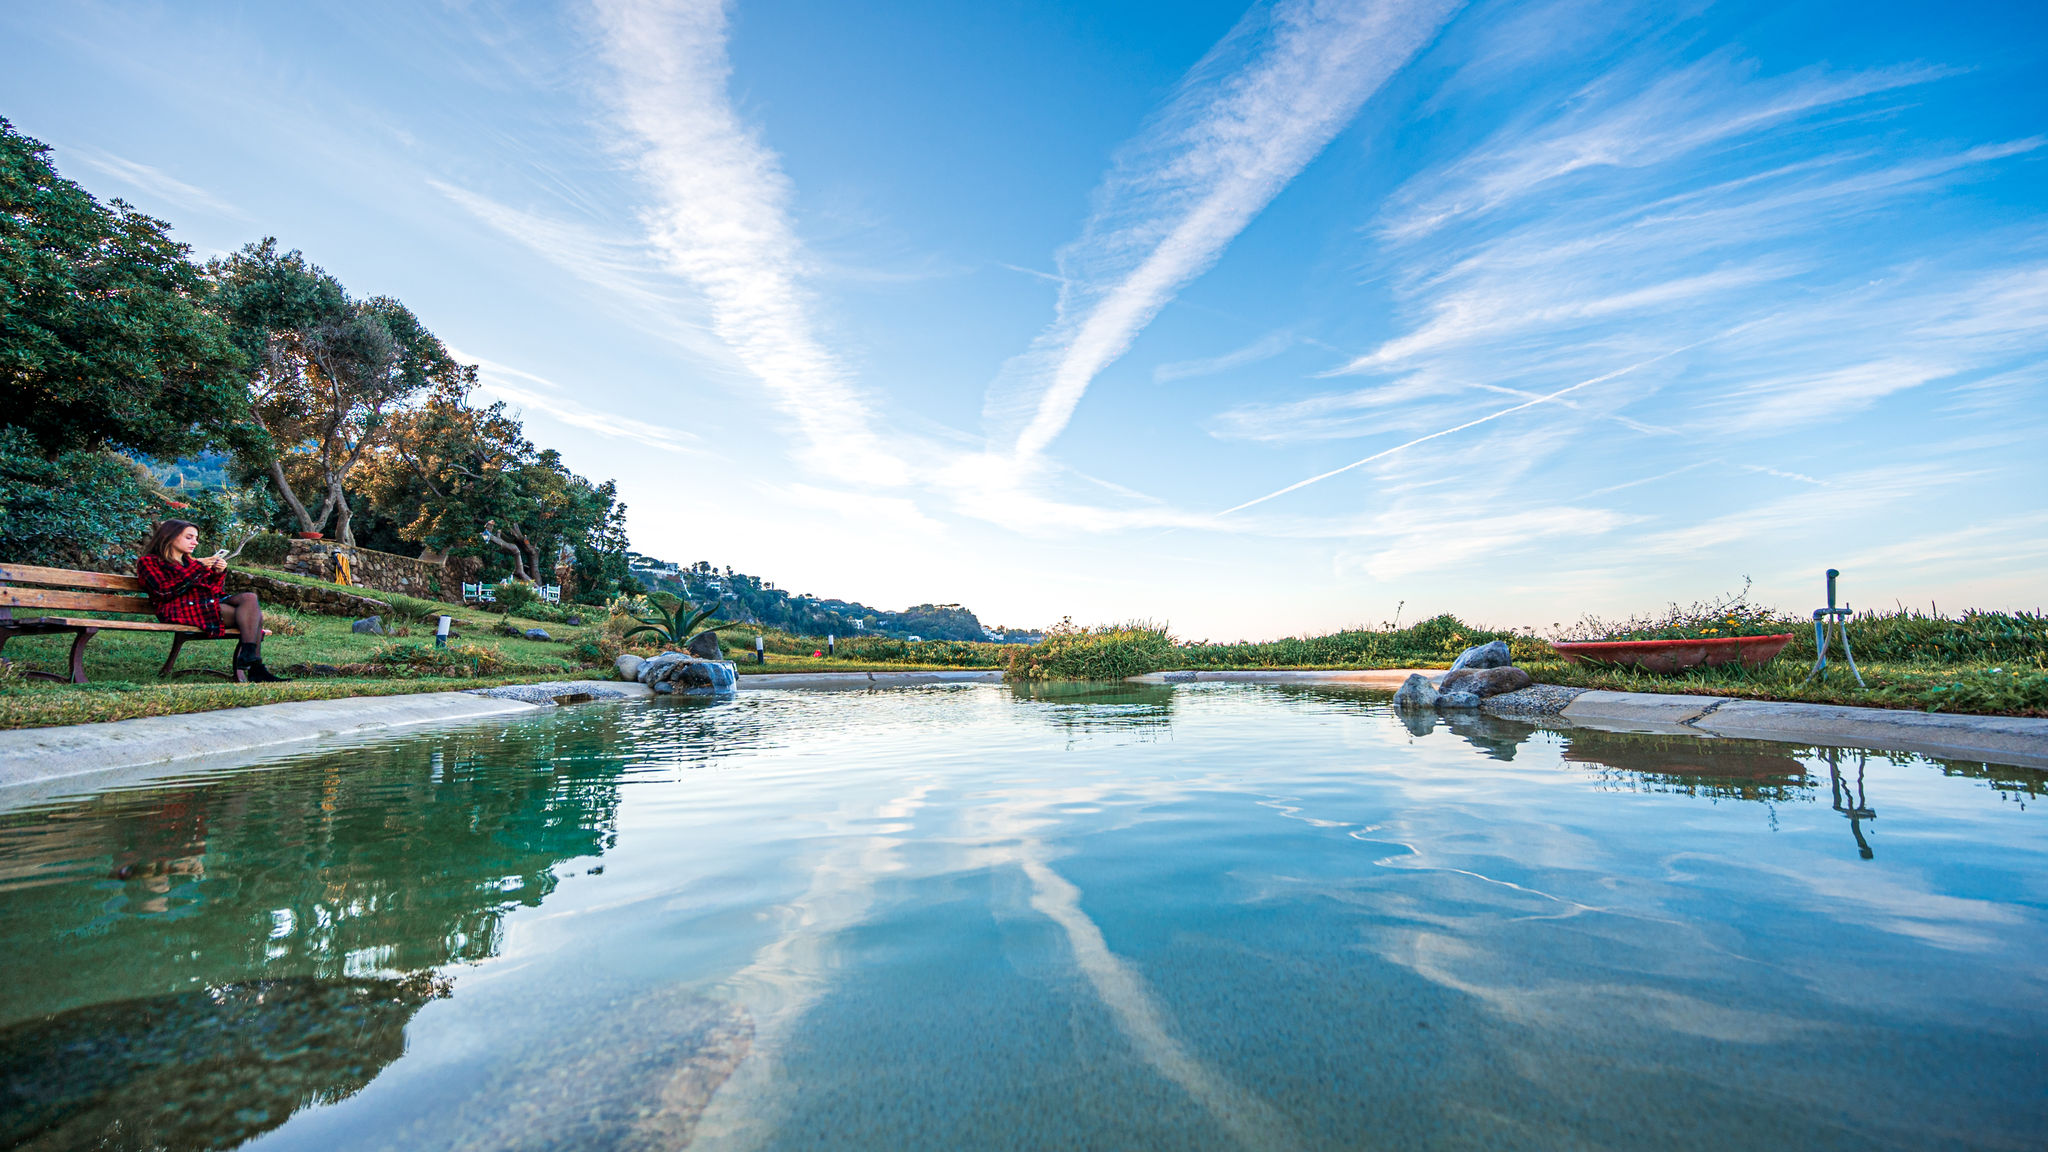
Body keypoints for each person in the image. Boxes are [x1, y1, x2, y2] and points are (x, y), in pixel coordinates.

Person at [136, 520, 289, 683]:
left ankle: (251, 660)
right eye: (189, 537)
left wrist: (217, 573)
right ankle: (255, 666)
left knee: (250, 598)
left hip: (201, 605)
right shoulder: (149, 562)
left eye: (196, 538)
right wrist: (198, 567)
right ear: (169, 536)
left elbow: (213, 591)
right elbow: (164, 591)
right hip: (177, 609)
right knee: (252, 616)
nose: (195, 542)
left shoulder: (190, 562)